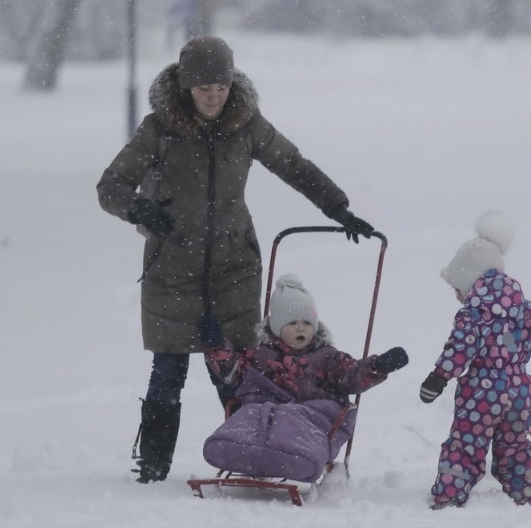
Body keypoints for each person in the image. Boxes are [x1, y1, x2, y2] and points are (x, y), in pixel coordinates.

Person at [97, 36, 375, 483]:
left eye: (221, 86)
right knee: (169, 368)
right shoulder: (159, 128)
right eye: (204, 86)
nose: (214, 95)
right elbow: (110, 186)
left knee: (242, 373)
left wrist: (337, 207)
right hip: (172, 266)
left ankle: (255, 451)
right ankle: (153, 465)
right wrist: (136, 207)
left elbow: (293, 164)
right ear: (187, 87)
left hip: (234, 266)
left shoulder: (245, 124)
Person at [418, 211, 531, 509]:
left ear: (470, 282)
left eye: (457, 289)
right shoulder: (524, 308)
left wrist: (438, 377)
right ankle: (526, 494)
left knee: (466, 445)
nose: (457, 297)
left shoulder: (473, 314)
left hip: (482, 393)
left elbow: (459, 348)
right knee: (514, 446)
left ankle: (449, 496)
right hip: (520, 393)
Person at [197, 274, 409, 482]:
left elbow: (350, 375)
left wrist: (378, 366)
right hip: (263, 418)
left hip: (308, 424)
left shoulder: (327, 357)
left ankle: (291, 456)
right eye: (292, 323)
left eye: (307, 323)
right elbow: (232, 371)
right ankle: (244, 449)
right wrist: (215, 345)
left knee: (290, 414)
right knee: (252, 410)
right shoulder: (261, 355)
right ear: (276, 328)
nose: (301, 328)